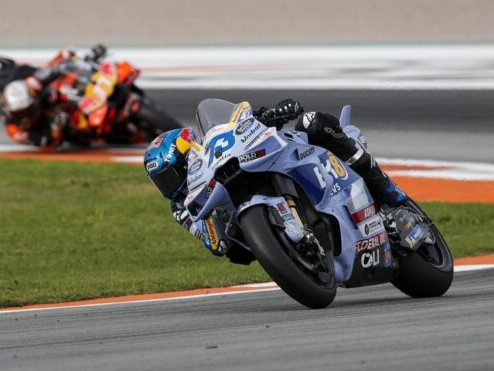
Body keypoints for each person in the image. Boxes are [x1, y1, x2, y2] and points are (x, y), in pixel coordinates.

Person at [143, 98, 407, 260]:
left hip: (280, 157)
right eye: (161, 181)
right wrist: (214, 222)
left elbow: (244, 124)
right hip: (247, 233)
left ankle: (384, 187)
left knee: (312, 123)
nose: (170, 185)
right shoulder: (183, 207)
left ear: (191, 155)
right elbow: (216, 244)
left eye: (171, 173)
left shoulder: (216, 149)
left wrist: (274, 114)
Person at [0, 45, 108, 149]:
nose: (25, 118)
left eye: (27, 111)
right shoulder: (15, 131)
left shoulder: (32, 86)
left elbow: (49, 68)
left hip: (53, 103)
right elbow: (47, 142)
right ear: (8, 111)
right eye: (19, 114)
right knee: (76, 130)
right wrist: (56, 127)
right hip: (50, 127)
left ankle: (94, 69)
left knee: (67, 83)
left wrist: (66, 56)